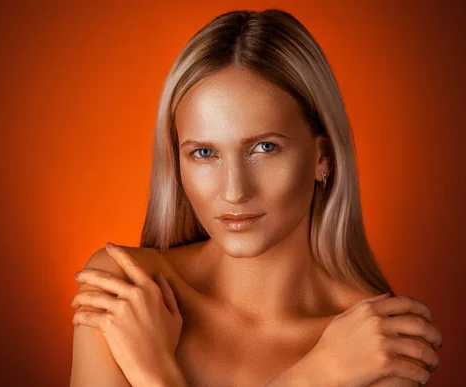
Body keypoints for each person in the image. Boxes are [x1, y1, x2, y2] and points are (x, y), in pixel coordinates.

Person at [69, 9, 443, 387]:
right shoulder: (125, 293)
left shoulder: (376, 346)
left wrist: (154, 374)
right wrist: (315, 376)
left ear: (323, 156)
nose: (234, 191)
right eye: (204, 153)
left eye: (264, 147)